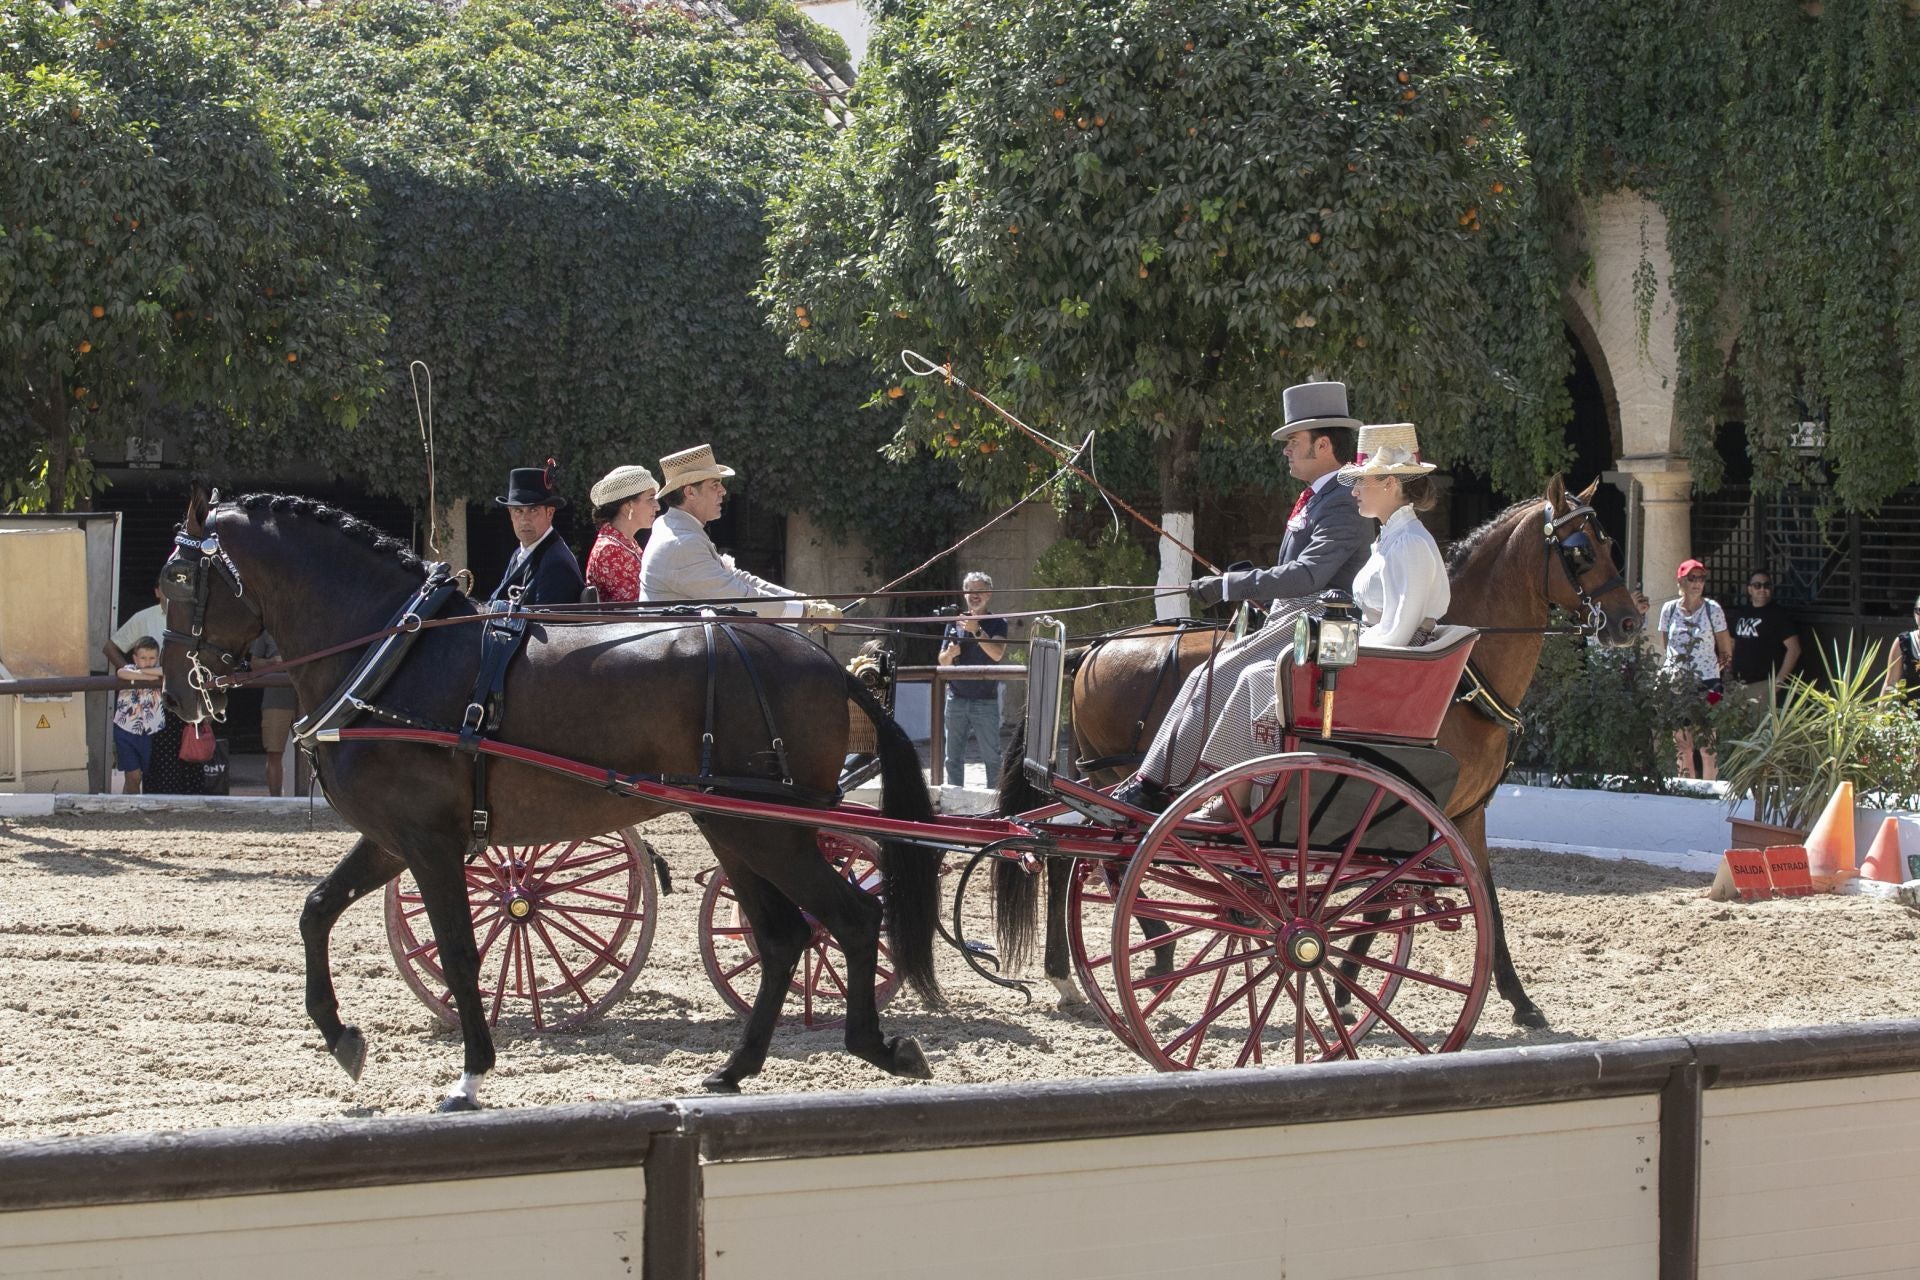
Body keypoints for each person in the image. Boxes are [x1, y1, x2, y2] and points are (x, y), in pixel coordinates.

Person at [1112, 381, 1372, 812]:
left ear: (1323, 444)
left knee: (1221, 673)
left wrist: (1235, 586)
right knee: (1204, 674)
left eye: (1293, 442)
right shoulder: (1322, 497)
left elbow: (1310, 575)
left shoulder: (1343, 499)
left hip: (1320, 624)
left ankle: (1167, 788)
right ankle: (1155, 781)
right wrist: (1252, 584)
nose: (1286, 451)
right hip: (1294, 616)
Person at [1190, 423, 1449, 809]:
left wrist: (1328, 646)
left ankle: (1244, 795)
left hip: (1383, 673)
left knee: (1264, 676)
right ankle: (1231, 791)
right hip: (1365, 659)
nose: (1355, 490)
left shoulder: (1410, 543)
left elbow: (1397, 634)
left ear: (1392, 483)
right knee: (1256, 674)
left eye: (1363, 481)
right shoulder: (1390, 538)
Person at [639, 443, 842, 624]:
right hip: (676, 654)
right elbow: (736, 596)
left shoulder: (678, 528)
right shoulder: (681, 542)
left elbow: (738, 579)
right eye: (715, 485)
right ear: (690, 492)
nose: (723, 492)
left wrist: (801, 600)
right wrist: (807, 612)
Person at [106, 585, 202, 795]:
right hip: (149, 709)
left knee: (185, 756)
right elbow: (111, 647)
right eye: (168, 588)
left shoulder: (196, 618)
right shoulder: (143, 618)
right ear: (157, 591)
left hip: (183, 699)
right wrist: (140, 675)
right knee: (145, 770)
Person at [1657, 558, 1732, 780]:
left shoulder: (1713, 609)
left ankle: (1709, 790)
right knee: (1682, 743)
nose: (1697, 583)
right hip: (1677, 682)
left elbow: (1725, 648)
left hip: (1710, 682)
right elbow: (1666, 644)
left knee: (1708, 743)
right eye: (1692, 578)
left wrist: (1717, 673)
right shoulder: (1668, 610)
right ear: (1680, 581)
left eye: (1701, 578)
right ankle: (1686, 788)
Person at [937, 571, 1009, 787]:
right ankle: (953, 800)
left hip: (985, 700)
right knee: (952, 759)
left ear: (988, 594)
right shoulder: (954, 622)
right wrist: (950, 653)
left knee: (992, 758)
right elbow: (942, 662)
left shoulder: (997, 622)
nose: (974, 595)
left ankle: (995, 803)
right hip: (956, 698)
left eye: (979, 591)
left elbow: (997, 654)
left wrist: (976, 630)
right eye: (970, 591)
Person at [488, 461, 584, 607]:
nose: (525, 520)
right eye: (518, 511)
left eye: (533, 510)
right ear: (510, 514)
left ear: (550, 513)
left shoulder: (556, 564)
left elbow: (549, 628)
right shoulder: (519, 554)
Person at [1725, 569, 1802, 705]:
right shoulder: (1741, 613)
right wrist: (1727, 673)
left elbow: (1794, 650)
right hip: (1737, 684)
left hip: (1763, 685)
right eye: (1757, 585)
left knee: (1760, 725)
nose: (1762, 589)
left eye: (1767, 585)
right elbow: (1731, 643)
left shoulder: (1779, 615)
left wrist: (1778, 682)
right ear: (1749, 589)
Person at [584, 464, 659, 603]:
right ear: (628, 505)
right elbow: (637, 608)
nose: (657, 506)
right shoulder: (610, 550)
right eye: (650, 499)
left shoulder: (626, 543)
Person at [248, 632, 304, 797]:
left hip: (306, 696)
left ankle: (312, 798)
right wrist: (272, 662)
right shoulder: (266, 631)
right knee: (274, 751)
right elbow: (254, 663)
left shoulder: (308, 621)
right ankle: (275, 800)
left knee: (313, 751)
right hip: (276, 698)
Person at [110, 637, 166, 795]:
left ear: (158, 658)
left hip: (152, 731)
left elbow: (164, 672)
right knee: (133, 775)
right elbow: (122, 672)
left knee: (144, 775)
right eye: (143, 658)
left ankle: (127, 800)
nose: (147, 662)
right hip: (126, 730)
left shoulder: (161, 670)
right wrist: (148, 677)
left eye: (152, 658)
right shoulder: (129, 669)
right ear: (135, 658)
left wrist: (142, 674)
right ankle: (132, 809)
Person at [1882, 594, 1920, 704]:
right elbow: (1890, 683)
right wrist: (1878, 717)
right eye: (1919, 610)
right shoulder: (1904, 641)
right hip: (1910, 717)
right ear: (1914, 613)